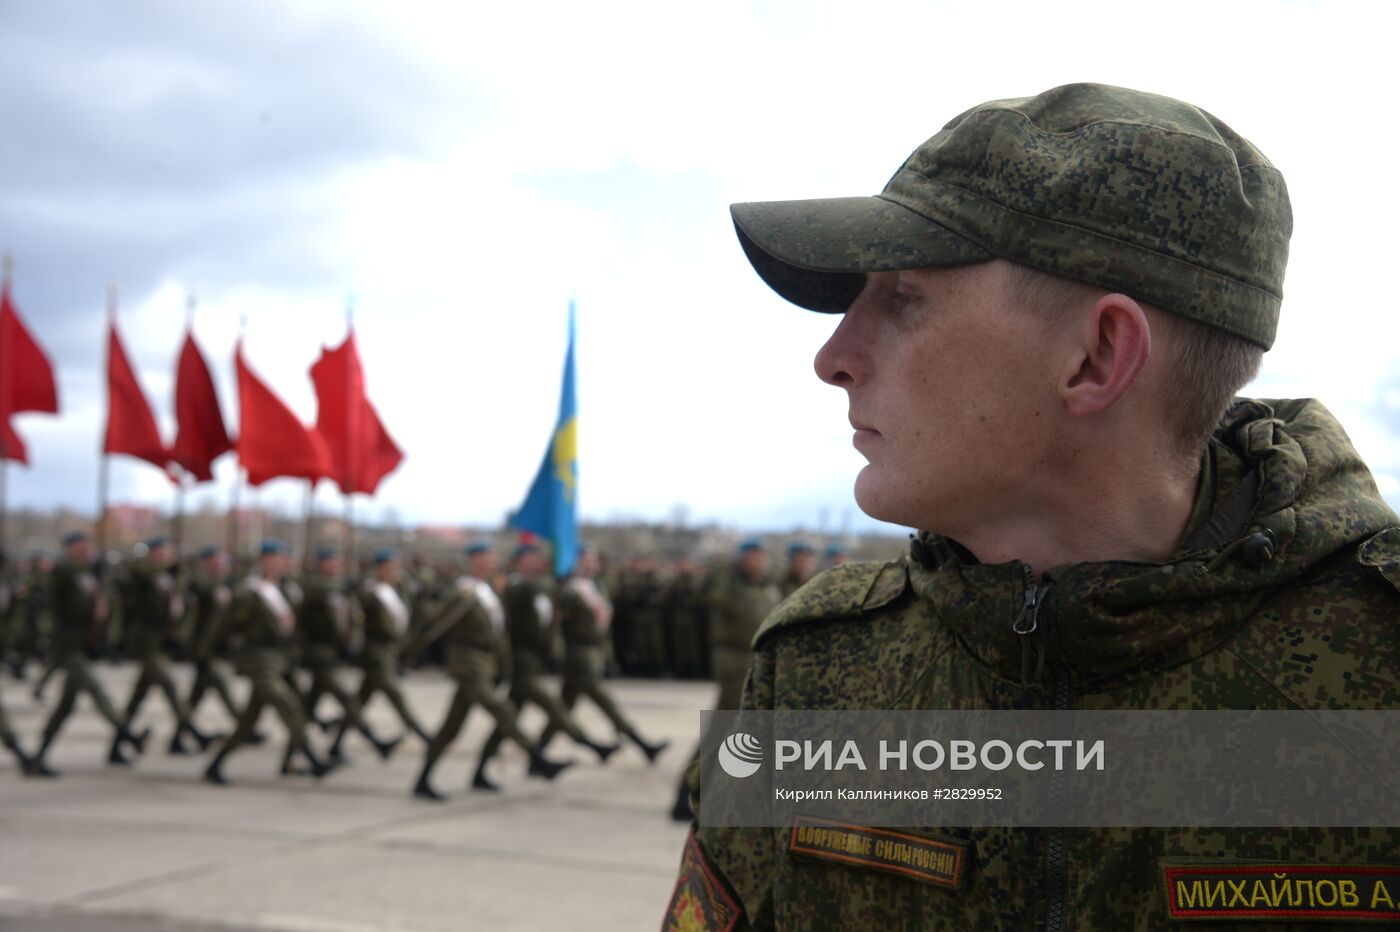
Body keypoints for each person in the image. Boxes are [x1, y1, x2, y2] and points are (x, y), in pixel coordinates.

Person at [665, 82, 1400, 930]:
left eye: (903, 297)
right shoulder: (819, 670)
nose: (834, 357)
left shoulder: (1379, 659)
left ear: (1096, 356)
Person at [409, 541, 573, 801]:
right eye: (484, 558)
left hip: (484, 665)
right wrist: (409, 654)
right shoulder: (464, 592)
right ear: (472, 561)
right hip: (467, 666)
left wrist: (502, 668)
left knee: (451, 728)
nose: (490, 562)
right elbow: (434, 624)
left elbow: (499, 634)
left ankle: (424, 779)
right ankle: (536, 757)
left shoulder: (489, 591)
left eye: (492, 557)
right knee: (502, 709)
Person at [475, 542, 618, 781]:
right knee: (553, 706)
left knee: (506, 721)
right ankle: (590, 745)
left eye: (538, 557)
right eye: (531, 557)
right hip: (520, 662)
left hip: (535, 661)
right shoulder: (514, 584)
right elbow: (518, 601)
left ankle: (480, 772)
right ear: (519, 561)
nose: (537, 561)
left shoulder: (542, 587)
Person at [204, 540, 334, 785]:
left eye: (283, 559)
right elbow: (225, 624)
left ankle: (215, 765)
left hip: (281, 660)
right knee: (287, 704)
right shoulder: (250, 591)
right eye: (274, 558)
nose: (280, 563)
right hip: (259, 660)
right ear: (263, 561)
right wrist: (209, 652)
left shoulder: (288, 590)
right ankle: (313, 759)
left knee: (247, 723)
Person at [27, 532, 148, 777]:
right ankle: (127, 734)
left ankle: (37, 758)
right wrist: (47, 636)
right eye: (80, 546)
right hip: (67, 647)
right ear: (70, 548)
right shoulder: (62, 571)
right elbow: (46, 605)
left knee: (64, 707)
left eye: (87, 545)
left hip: (81, 644)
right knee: (96, 689)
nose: (86, 550)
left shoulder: (88, 572)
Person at [538, 543, 669, 762]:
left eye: (594, 559)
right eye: (587, 559)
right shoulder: (569, 589)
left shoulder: (595, 587)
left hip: (593, 650)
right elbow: (557, 624)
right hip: (577, 654)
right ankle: (641, 742)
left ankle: (538, 752)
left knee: (563, 707)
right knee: (603, 700)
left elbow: (604, 623)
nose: (593, 563)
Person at [109, 537, 215, 759]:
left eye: (168, 553)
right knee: (169, 685)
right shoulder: (145, 574)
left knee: (138, 697)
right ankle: (193, 731)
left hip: (161, 643)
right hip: (146, 643)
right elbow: (135, 573)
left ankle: (116, 746)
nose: (166, 557)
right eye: (161, 553)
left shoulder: (168, 578)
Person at [301, 547, 398, 762]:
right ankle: (375, 741)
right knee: (346, 698)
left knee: (305, 711)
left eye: (337, 563)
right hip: (318, 653)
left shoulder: (337, 589)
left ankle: (293, 757)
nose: (335, 567)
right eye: (330, 562)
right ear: (320, 565)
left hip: (331, 654)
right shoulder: (316, 587)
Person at [354, 548, 431, 744]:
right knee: (393, 692)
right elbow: (358, 621)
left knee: (359, 701)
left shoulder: (398, 590)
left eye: (395, 567)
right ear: (379, 569)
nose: (393, 571)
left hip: (391, 650)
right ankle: (417, 729)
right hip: (376, 651)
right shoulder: (370, 592)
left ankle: (337, 738)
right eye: (388, 567)